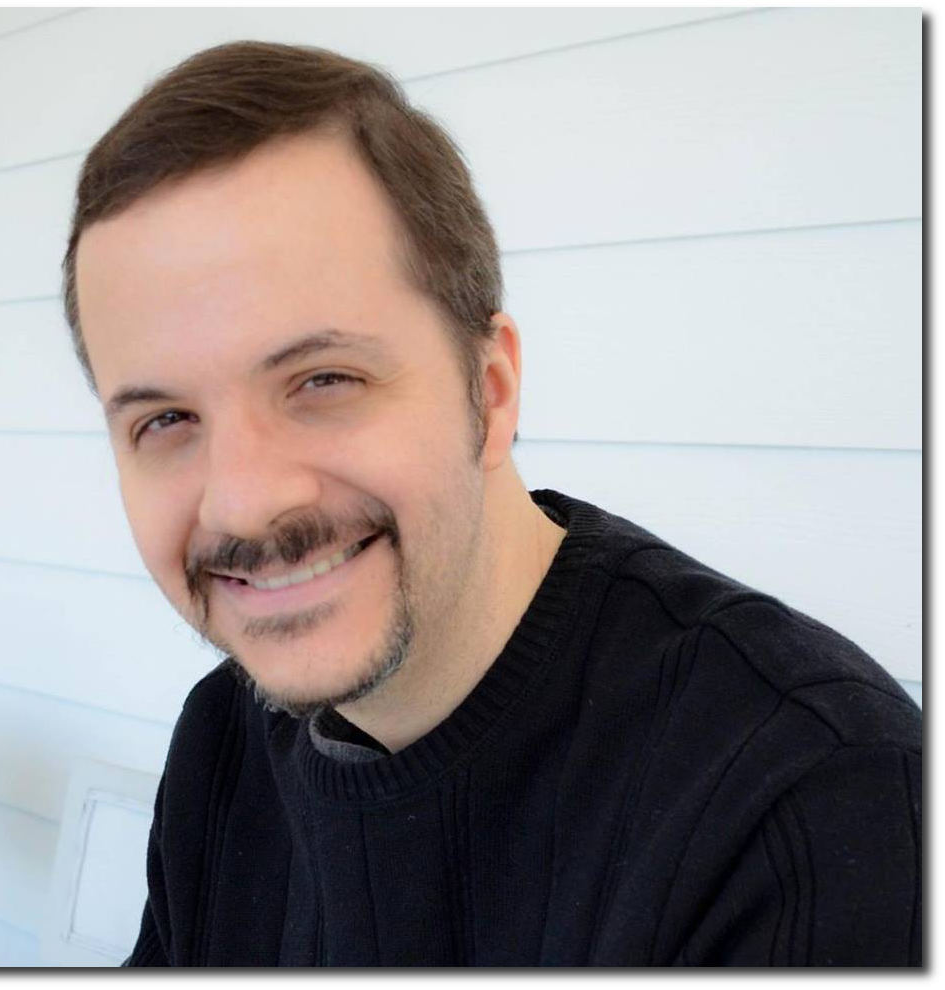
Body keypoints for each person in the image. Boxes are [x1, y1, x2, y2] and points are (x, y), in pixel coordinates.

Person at [63, 42, 921, 966]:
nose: (244, 504)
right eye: (165, 420)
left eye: (323, 379)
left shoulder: (807, 801)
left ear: (492, 389)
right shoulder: (223, 746)